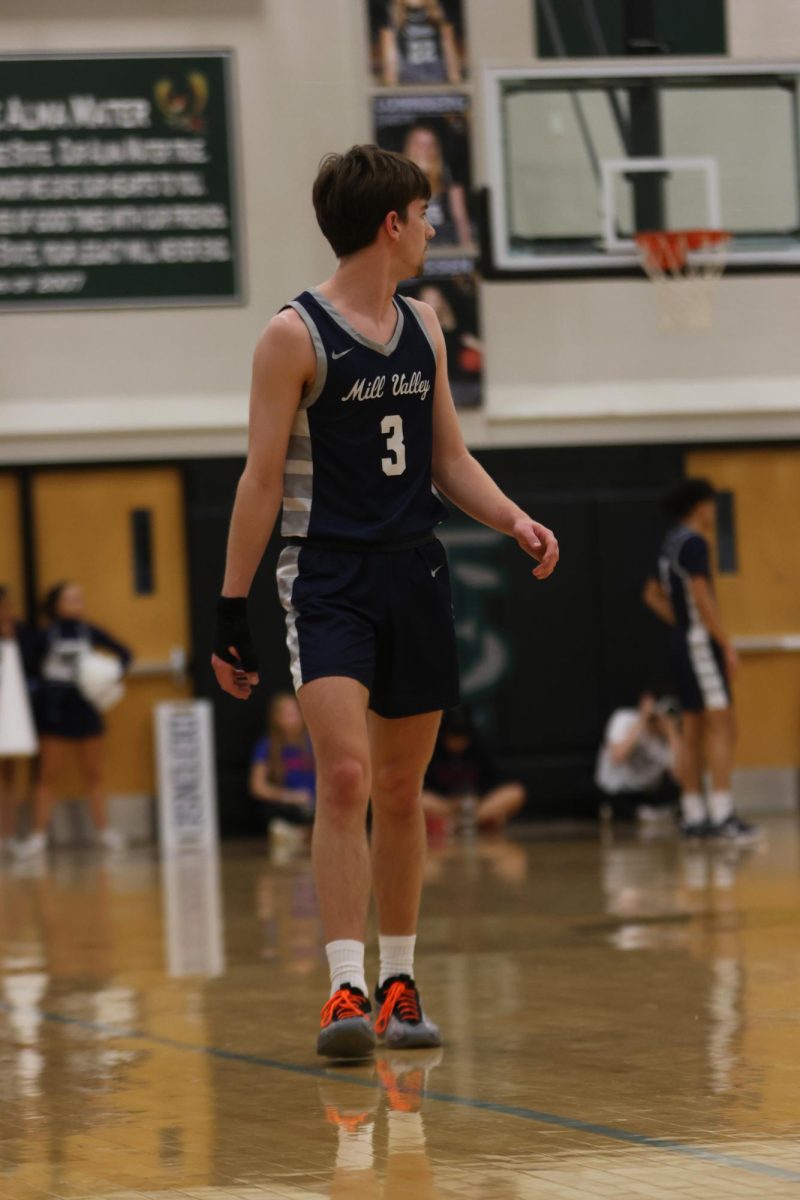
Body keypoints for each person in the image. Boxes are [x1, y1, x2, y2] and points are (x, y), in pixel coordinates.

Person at [211, 143, 559, 1060]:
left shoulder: (426, 326)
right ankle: (343, 990)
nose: (435, 227)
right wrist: (229, 607)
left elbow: (449, 461)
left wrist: (516, 519)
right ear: (390, 224)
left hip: (415, 571)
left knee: (404, 788)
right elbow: (256, 483)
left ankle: (401, 979)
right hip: (325, 575)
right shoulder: (292, 335)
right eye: (425, 213)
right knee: (348, 777)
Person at [642, 479, 758, 843]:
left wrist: (682, 622)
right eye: (710, 504)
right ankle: (722, 816)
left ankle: (693, 816)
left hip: (681, 642)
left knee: (692, 730)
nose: (714, 511)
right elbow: (701, 595)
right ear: (699, 507)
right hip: (698, 645)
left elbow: (651, 594)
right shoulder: (693, 542)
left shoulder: (670, 542)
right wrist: (725, 644)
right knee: (724, 725)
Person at [14, 581, 133, 860]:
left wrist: (107, 675)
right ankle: (38, 836)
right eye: (70, 598)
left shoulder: (89, 632)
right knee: (47, 775)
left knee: (94, 774)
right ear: (56, 604)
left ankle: (104, 832)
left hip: (85, 706)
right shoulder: (43, 636)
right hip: (55, 709)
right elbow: (27, 667)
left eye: (80, 598)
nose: (77, 603)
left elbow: (125, 654)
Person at [422, 705, 525, 835]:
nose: (457, 742)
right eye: (453, 737)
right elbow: (423, 788)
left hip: (477, 806)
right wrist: (451, 803)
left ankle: (465, 823)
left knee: (515, 792)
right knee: (419, 800)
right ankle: (469, 823)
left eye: (462, 737)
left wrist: (477, 800)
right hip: (444, 805)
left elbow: (500, 783)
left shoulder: (481, 747)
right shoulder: (432, 749)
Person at [595, 689, 681, 822]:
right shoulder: (624, 718)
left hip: (648, 795)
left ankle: (652, 814)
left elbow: (678, 777)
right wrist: (642, 720)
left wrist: (671, 732)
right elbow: (617, 756)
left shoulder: (671, 740)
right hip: (618, 792)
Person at [0, 585, 38, 855]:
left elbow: (34, 665)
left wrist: (9, 637)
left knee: (9, 775)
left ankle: (7, 835)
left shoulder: (20, 633)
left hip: (9, 714)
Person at [250, 692, 315, 836]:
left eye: (295, 712)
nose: (293, 718)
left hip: (315, 803)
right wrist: (289, 796)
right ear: (277, 719)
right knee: (267, 812)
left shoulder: (313, 742)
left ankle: (301, 834)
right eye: (287, 714)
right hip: (289, 805)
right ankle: (300, 833)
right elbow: (258, 787)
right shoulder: (267, 746)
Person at [402, 124, 472, 250]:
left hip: (446, 245)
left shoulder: (448, 179)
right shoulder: (397, 180)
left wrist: (466, 251)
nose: (424, 150)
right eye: (419, 144)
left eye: (429, 145)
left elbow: (461, 219)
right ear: (410, 147)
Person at [377, 0, 463, 86]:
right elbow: (391, 73)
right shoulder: (391, 27)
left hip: (438, 89)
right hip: (407, 91)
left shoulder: (442, 24)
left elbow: (453, 68)